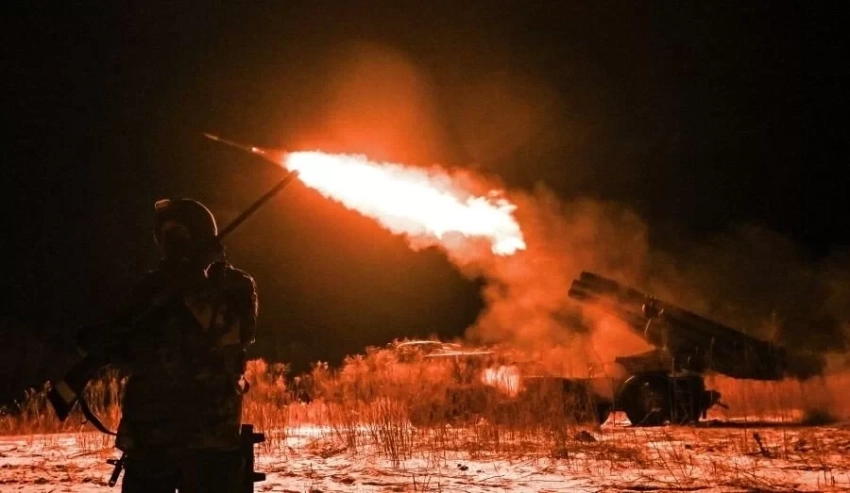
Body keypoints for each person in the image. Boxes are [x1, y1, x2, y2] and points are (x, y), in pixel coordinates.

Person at [107, 198, 258, 493]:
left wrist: (193, 280)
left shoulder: (233, 285)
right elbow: (124, 345)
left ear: (198, 237)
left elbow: (231, 333)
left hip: (209, 431)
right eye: (166, 235)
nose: (171, 243)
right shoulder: (150, 288)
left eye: (178, 234)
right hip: (150, 430)